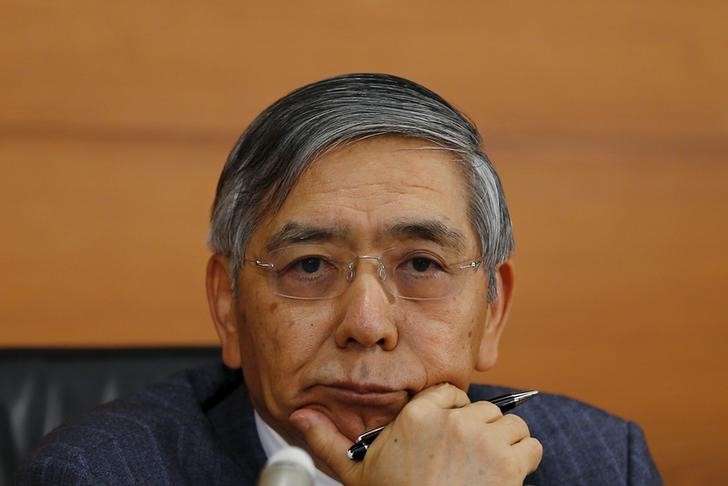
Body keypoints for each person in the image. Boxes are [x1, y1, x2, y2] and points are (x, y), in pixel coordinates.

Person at [17, 73, 662, 485]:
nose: (367, 325)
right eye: (310, 266)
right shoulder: (96, 474)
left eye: (420, 265)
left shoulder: (601, 463)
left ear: (492, 312)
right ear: (227, 305)